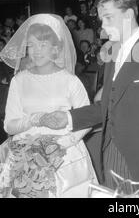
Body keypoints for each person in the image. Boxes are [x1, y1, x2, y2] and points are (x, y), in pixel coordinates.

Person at [39, 0, 139, 198]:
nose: (103, 25)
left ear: (128, 15)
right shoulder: (113, 54)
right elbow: (109, 104)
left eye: (108, 18)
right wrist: (69, 117)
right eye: (101, 19)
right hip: (110, 152)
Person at [0, 14, 97, 198]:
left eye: (42, 45)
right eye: (31, 45)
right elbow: (9, 125)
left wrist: (61, 144)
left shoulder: (70, 81)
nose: (36, 51)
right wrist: (34, 119)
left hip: (63, 154)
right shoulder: (18, 81)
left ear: (55, 48)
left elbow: (87, 120)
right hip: (24, 156)